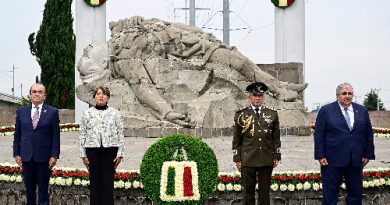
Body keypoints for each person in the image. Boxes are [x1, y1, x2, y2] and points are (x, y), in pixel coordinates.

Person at [314, 82, 375, 205]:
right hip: (332, 161)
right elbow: (319, 134)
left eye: (350, 93)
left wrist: (368, 154)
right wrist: (320, 155)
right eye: (344, 93)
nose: (347, 96)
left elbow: (368, 133)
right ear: (337, 95)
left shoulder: (362, 110)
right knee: (330, 196)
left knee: (355, 195)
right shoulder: (326, 111)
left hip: (355, 160)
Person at [232, 82, 281, 205]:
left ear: (263, 97)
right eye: (255, 95)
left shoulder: (272, 114)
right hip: (248, 159)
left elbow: (276, 138)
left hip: (266, 158)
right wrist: (237, 159)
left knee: (264, 195)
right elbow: (236, 139)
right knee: (248, 195)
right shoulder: (241, 115)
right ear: (250, 97)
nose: (257, 98)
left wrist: (276, 156)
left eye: (260, 96)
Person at [13, 83, 60, 205]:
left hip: (44, 158)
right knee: (30, 192)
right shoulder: (21, 111)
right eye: (34, 92)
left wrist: (54, 155)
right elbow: (17, 134)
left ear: (45, 96)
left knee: (43, 191)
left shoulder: (52, 112)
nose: (37, 94)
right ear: (30, 94)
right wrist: (16, 153)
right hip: (26, 157)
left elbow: (56, 135)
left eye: (40, 92)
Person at [79, 86, 125, 205]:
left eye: (104, 94)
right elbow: (82, 134)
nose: (101, 96)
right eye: (98, 94)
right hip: (92, 151)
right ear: (94, 97)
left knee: (108, 183)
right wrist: (83, 154)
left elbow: (120, 133)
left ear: (108, 98)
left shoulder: (115, 113)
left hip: (110, 151)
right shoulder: (87, 113)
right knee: (94, 183)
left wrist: (120, 153)